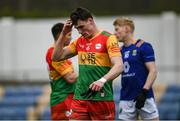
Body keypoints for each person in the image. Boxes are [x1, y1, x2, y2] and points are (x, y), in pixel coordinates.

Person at [52, 7, 123, 120]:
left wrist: (102, 80)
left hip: (101, 98)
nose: (80, 31)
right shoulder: (80, 41)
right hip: (80, 97)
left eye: (81, 27)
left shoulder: (108, 38)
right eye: (77, 29)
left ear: (90, 21)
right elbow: (56, 57)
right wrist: (64, 33)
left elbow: (119, 66)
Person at [113, 17, 159, 120]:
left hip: (144, 97)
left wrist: (144, 92)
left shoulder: (143, 46)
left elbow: (153, 71)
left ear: (127, 28)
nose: (115, 33)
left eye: (117, 29)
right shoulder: (119, 51)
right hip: (125, 99)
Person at [46, 22, 77, 120]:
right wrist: (87, 71)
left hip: (67, 97)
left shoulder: (62, 53)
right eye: (69, 35)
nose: (71, 38)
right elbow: (71, 78)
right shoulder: (53, 53)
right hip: (62, 99)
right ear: (61, 35)